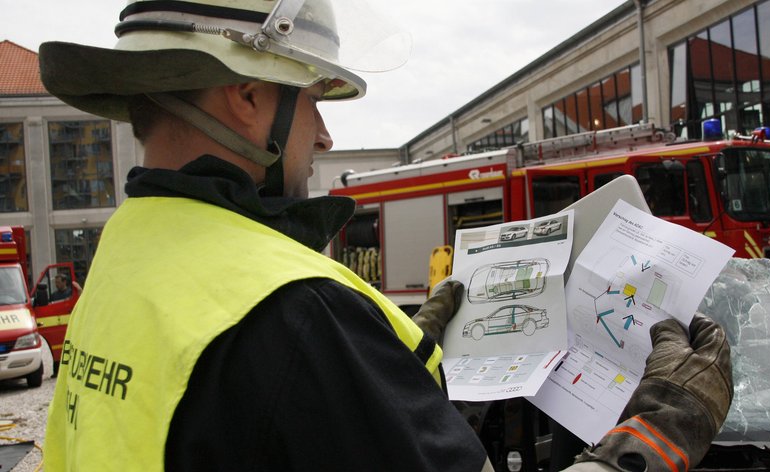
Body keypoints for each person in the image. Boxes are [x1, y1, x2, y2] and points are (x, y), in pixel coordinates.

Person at [39, 1, 732, 471]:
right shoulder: (295, 312)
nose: (326, 134)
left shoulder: (126, 255)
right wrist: (654, 435)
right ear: (246, 96)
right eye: (312, 98)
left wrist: (392, 367)